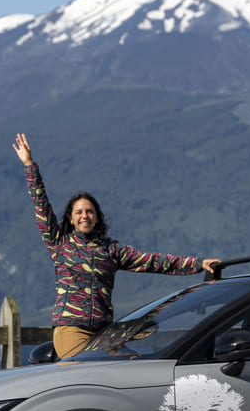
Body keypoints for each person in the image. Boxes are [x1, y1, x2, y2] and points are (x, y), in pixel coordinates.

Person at [12, 133, 220, 359]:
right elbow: (41, 205)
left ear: (97, 217)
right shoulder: (60, 244)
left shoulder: (111, 249)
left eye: (89, 212)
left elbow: (153, 261)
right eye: (79, 212)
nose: (84, 216)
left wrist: (198, 264)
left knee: (131, 363)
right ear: (71, 219)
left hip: (105, 332)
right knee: (84, 370)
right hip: (72, 329)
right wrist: (30, 165)